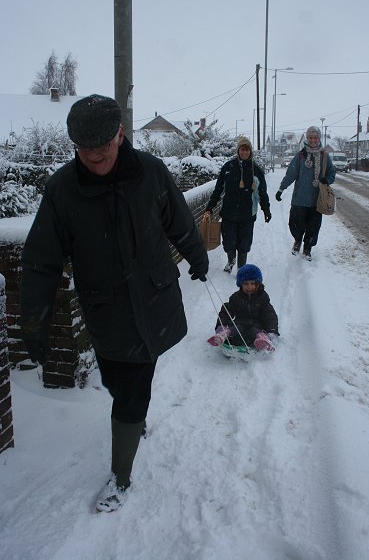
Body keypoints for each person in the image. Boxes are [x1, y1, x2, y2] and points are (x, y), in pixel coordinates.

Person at [20, 94, 209, 513]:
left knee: (131, 391)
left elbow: (178, 219)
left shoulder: (151, 172)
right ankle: (133, 416)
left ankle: (120, 478)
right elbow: (40, 261)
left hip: (153, 299)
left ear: (120, 134)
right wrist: (33, 320)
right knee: (114, 380)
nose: (94, 157)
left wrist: (197, 256)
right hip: (104, 308)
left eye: (102, 148)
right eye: (85, 151)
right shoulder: (63, 190)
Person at [203, 136, 271, 273]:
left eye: (247, 150)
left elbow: (261, 193)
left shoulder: (256, 171)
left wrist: (266, 209)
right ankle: (231, 260)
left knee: (244, 243)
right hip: (229, 212)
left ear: (250, 151)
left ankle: (241, 267)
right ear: (238, 150)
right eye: (242, 149)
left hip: (247, 213)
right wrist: (210, 207)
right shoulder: (228, 167)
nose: (244, 152)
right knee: (229, 242)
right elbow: (218, 189)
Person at [275, 125, 335, 261]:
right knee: (295, 224)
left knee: (313, 227)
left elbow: (332, 173)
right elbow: (291, 173)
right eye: (310, 137)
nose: (313, 140)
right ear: (307, 139)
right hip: (299, 199)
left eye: (315, 137)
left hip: (316, 200)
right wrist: (281, 189)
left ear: (319, 138)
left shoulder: (324, 156)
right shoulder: (301, 156)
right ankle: (297, 241)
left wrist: (327, 179)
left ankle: (307, 248)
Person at [207, 264, 279, 352]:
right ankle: (223, 334)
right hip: (240, 323)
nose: (249, 287)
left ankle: (263, 340)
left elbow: (270, 316)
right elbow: (226, 312)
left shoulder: (262, 298)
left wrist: (272, 331)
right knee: (235, 329)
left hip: (256, 325)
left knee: (256, 331)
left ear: (258, 284)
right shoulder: (236, 297)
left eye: (253, 283)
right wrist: (221, 326)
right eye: (246, 284)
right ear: (241, 284)